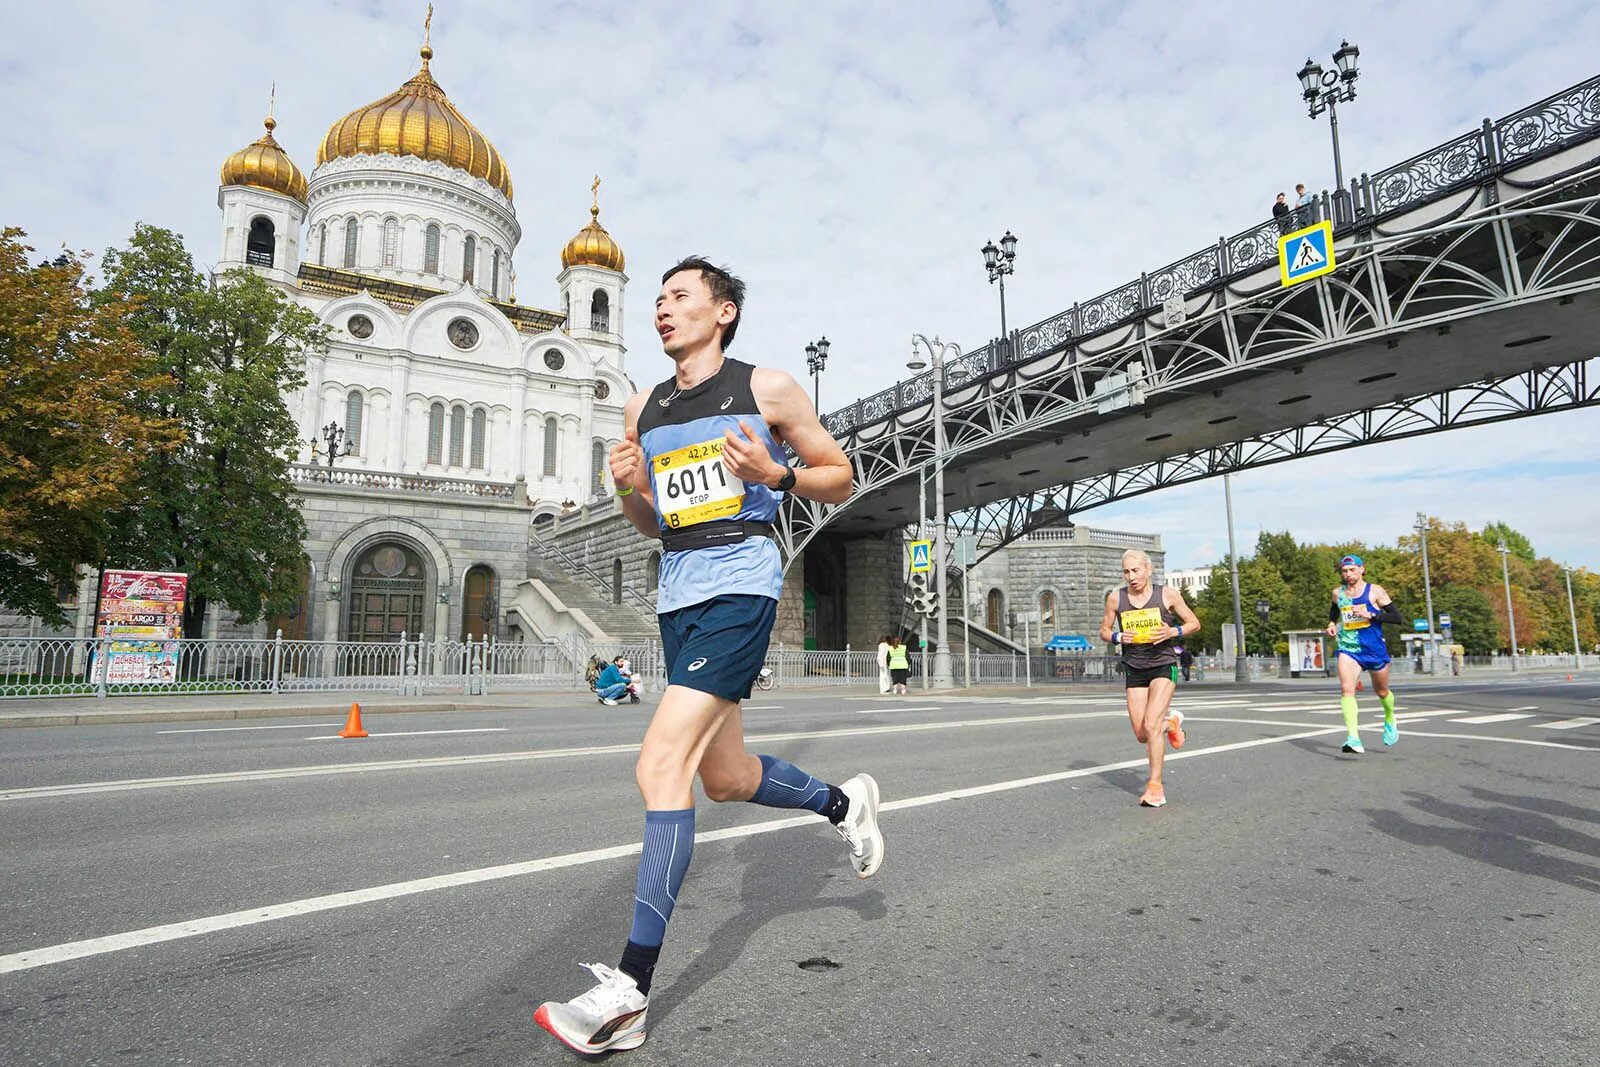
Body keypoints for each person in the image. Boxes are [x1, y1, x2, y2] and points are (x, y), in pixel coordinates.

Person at [534, 256, 884, 1056]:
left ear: (722, 312)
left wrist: (777, 473)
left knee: (660, 765)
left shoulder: (768, 389)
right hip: (679, 595)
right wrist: (629, 486)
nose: (662, 309)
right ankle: (843, 804)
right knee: (723, 777)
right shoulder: (643, 408)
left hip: (742, 584)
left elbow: (841, 475)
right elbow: (656, 525)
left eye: (679, 297)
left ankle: (629, 991)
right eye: (657, 299)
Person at [1099, 549, 1201, 808]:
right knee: (1143, 733)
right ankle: (1173, 723)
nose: (1131, 577)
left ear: (1148, 569)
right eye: (1126, 572)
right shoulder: (1116, 598)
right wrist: (1118, 637)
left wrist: (1172, 631)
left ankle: (1155, 786)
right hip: (1134, 667)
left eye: (1136, 570)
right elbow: (1104, 630)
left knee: (1152, 722)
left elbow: (1194, 623)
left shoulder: (1167, 595)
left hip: (1163, 666)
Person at [1324, 554, 1402, 753]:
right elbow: (1335, 609)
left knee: (1382, 691)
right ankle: (1353, 738)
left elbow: (1397, 617)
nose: (1348, 574)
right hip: (1349, 649)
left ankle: (1389, 716)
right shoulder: (1337, 593)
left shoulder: (1375, 591)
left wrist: (1373, 615)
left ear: (1362, 570)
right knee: (1346, 688)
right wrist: (1332, 623)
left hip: (1374, 649)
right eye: (1344, 571)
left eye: (1352, 570)